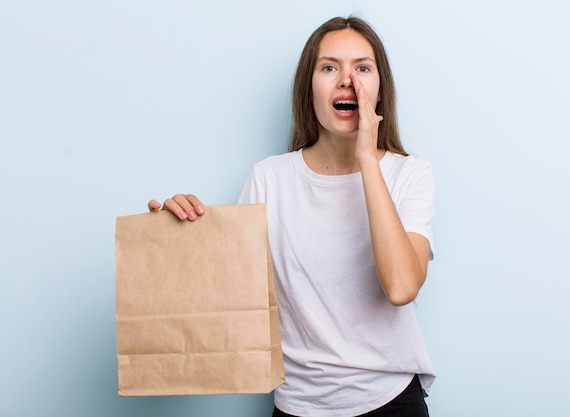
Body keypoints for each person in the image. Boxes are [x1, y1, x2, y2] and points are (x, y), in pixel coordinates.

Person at [149, 16, 435, 417]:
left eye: (363, 68)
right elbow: (229, 298)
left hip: (390, 402)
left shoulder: (411, 175)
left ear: (379, 91)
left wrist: (367, 158)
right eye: (329, 67)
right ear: (309, 88)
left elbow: (401, 286)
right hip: (298, 407)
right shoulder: (269, 177)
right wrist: (176, 234)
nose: (347, 81)